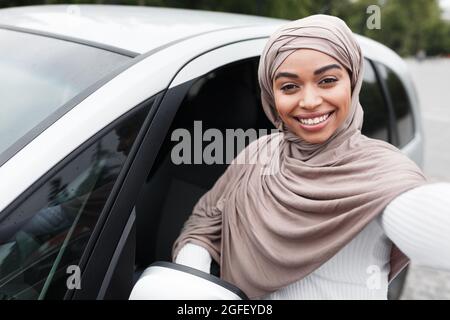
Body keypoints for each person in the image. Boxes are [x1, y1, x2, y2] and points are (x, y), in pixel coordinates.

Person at [171, 14, 450, 300]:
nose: (309, 102)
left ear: (352, 82)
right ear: (270, 95)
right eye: (289, 86)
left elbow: (425, 218)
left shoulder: (383, 170)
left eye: (327, 80)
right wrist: (192, 282)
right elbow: (205, 222)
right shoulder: (257, 153)